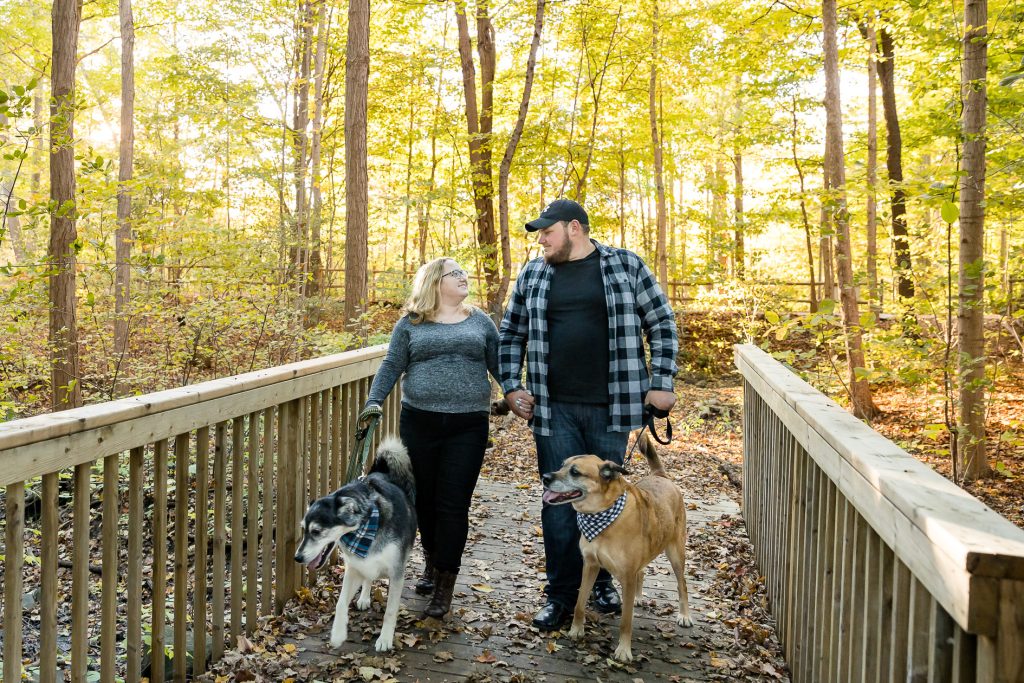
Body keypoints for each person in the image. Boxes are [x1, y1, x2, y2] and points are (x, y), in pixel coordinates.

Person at [498, 198, 679, 630]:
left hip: (612, 407)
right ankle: (560, 596)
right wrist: (511, 386)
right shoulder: (534, 273)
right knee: (560, 502)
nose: (541, 239)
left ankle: (600, 584)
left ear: (575, 228)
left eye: (547, 231)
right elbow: (511, 334)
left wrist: (662, 382)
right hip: (553, 409)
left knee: (610, 501)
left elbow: (663, 324)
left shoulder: (626, 266)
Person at [363, 257, 499, 618]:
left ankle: (444, 583)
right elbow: (392, 364)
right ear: (436, 281)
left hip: (468, 425)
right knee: (424, 501)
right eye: (456, 273)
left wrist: (515, 392)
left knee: (453, 504)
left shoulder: (480, 321)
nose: (463, 277)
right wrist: (373, 403)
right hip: (419, 422)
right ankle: (431, 563)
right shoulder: (410, 324)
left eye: (464, 273)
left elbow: (500, 364)